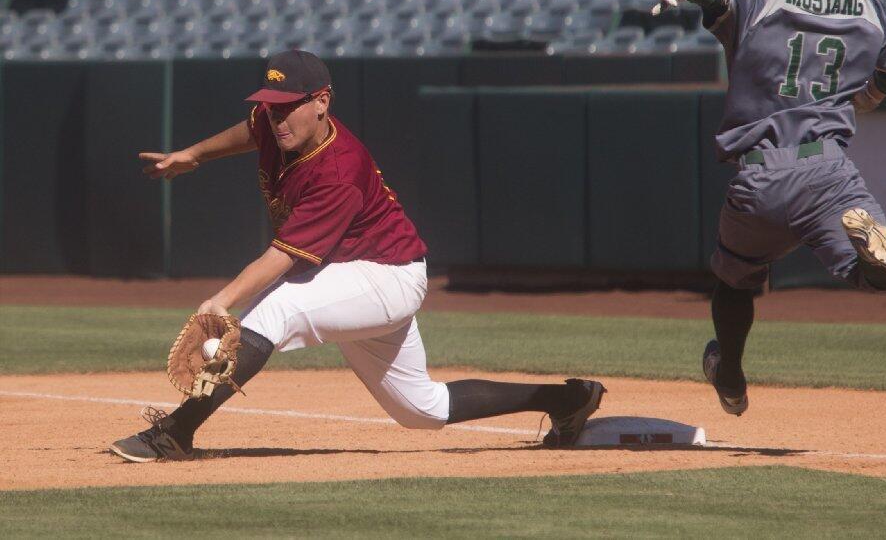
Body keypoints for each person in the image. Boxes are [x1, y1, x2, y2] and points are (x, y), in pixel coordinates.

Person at [110, 49, 604, 462]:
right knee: (421, 411)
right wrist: (194, 154)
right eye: (271, 105)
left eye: (288, 107)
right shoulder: (273, 122)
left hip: (387, 277)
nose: (276, 116)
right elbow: (249, 129)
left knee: (274, 311)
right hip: (350, 275)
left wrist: (221, 300)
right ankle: (568, 399)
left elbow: (282, 258)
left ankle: (174, 433)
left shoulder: (338, 171)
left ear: (322, 102)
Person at [652, 0, 886, 416]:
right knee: (881, 274)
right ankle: (878, 264)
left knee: (734, 279)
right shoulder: (864, 3)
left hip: (765, 173)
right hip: (831, 171)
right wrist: (871, 95)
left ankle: (729, 374)